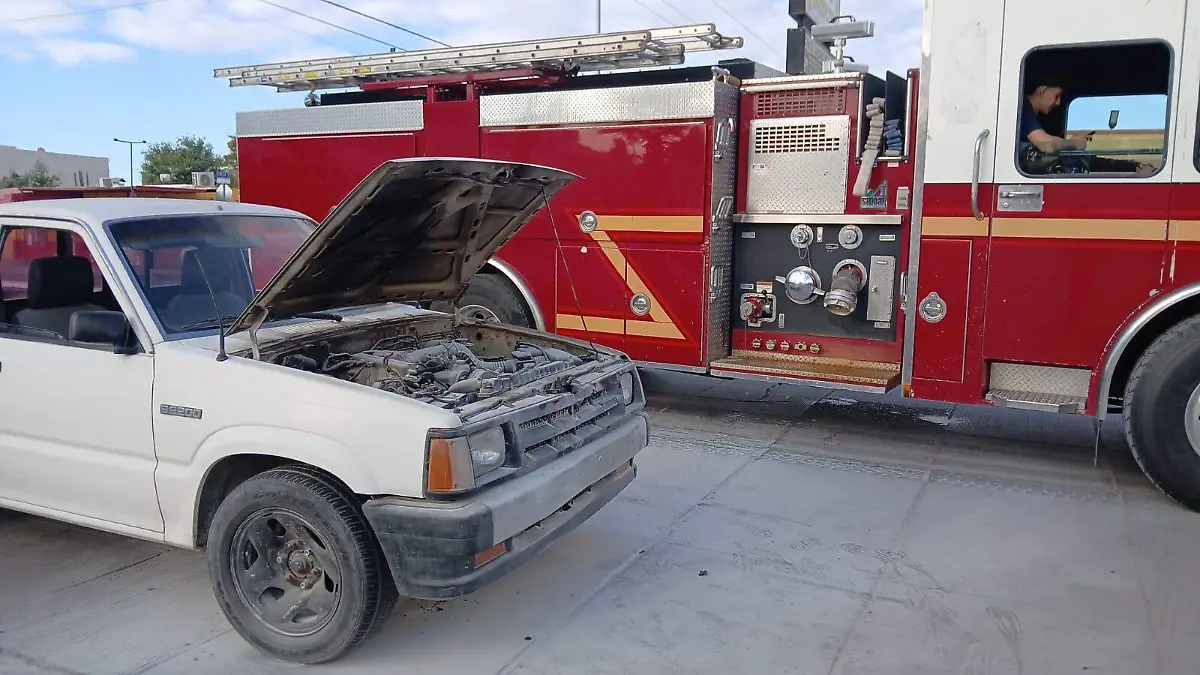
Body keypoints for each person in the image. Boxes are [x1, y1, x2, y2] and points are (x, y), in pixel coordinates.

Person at [1019, 79, 1155, 175]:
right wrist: (1073, 143)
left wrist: (1070, 143)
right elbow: (1046, 145)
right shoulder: (1022, 107)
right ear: (1042, 91)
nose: (1059, 103)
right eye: (1057, 95)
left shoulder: (1035, 115)